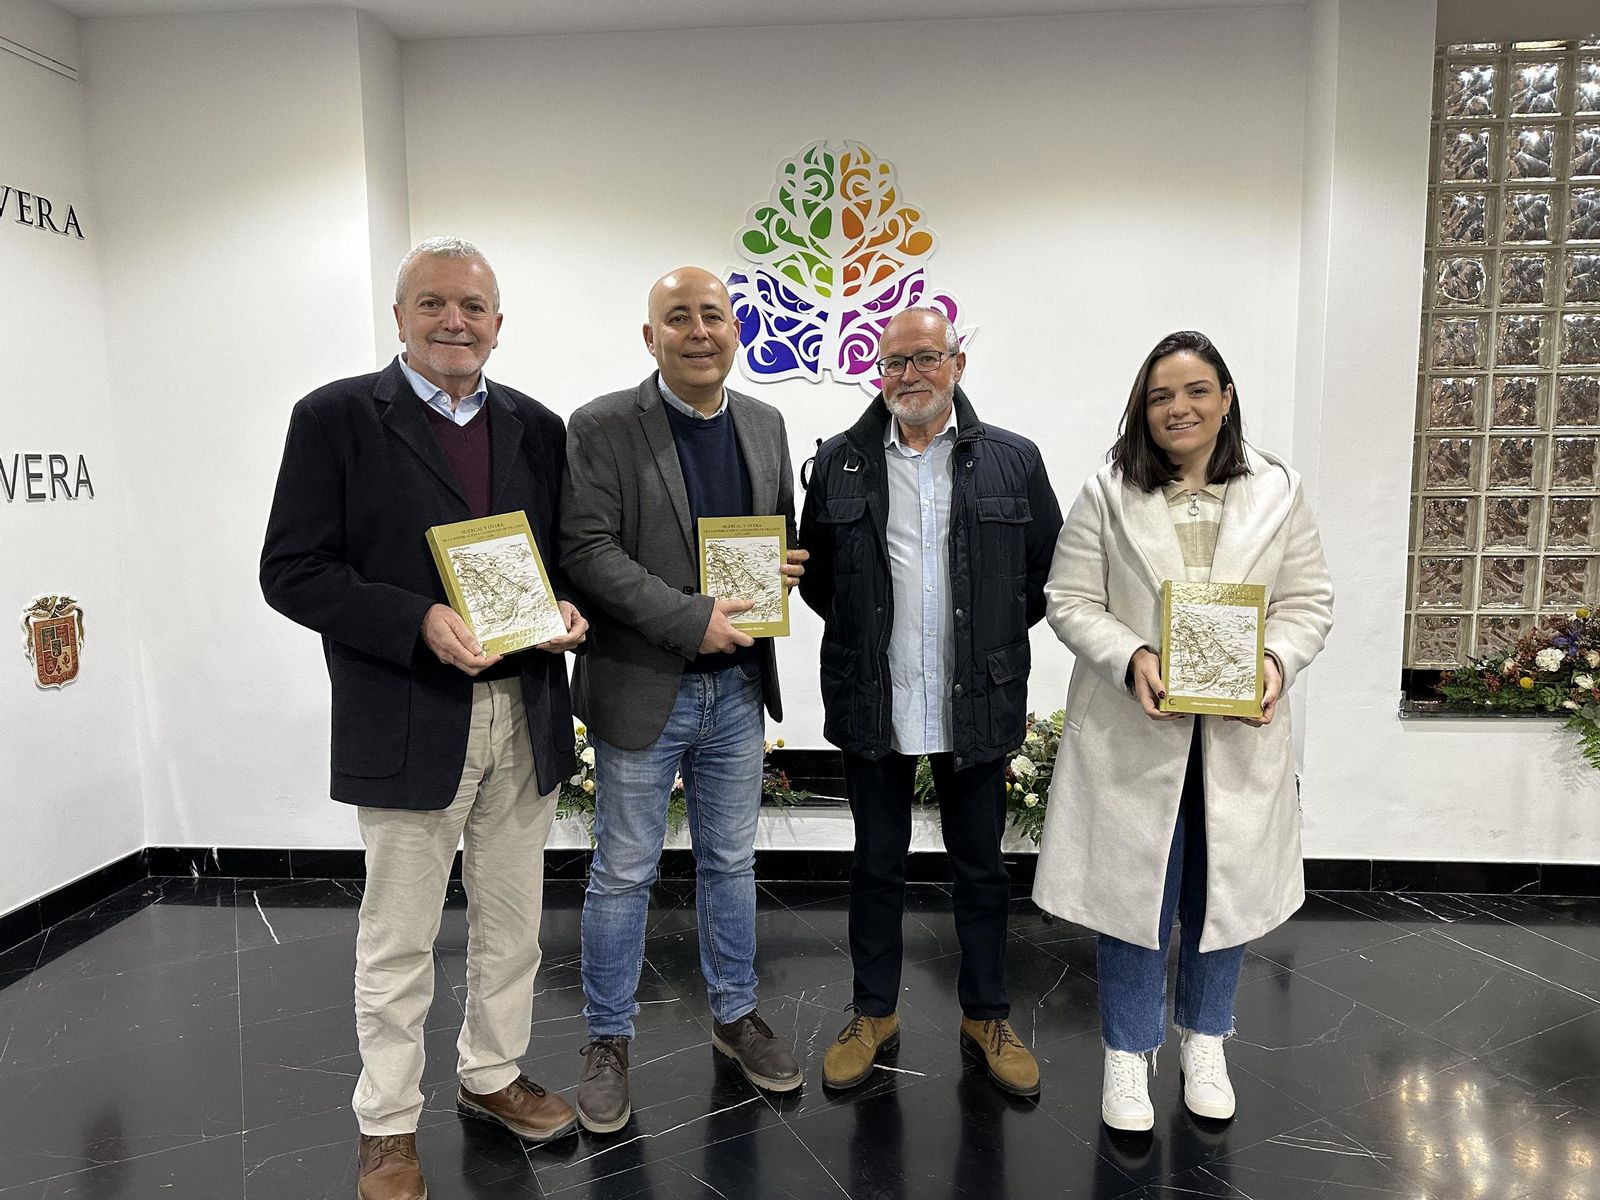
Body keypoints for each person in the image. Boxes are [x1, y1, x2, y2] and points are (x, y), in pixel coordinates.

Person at [261, 237, 588, 1200]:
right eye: (434, 303)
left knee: (513, 925)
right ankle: (387, 1123)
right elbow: (293, 571)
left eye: (474, 307)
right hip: (406, 709)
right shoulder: (333, 419)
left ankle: (491, 1075)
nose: (456, 321)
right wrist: (417, 621)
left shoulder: (539, 426)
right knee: (399, 936)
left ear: (498, 323)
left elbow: (558, 556)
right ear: (398, 315)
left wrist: (568, 607)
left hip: (523, 706)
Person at [1032, 330, 1333, 1131]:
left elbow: (1309, 603)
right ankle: (1128, 1057)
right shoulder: (1107, 490)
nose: (1179, 408)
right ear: (1143, 407)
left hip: (1237, 735)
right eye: (1161, 395)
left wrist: (1275, 663)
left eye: (1197, 391)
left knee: (1219, 894)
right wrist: (1128, 655)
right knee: (1136, 899)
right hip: (1138, 728)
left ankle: (1207, 1039)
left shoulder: (1280, 490)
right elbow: (1069, 599)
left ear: (1226, 398)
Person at [559, 266, 807, 1133]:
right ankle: (606, 1041)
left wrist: (782, 568)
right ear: (649, 336)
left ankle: (736, 1016)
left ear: (735, 332)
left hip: (737, 690)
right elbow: (585, 550)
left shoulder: (766, 423)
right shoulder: (599, 426)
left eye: (713, 316)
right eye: (678, 317)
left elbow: (774, 533)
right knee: (624, 871)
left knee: (732, 864)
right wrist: (691, 618)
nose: (698, 331)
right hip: (642, 688)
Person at [798, 307, 1062, 1097]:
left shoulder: (1014, 461)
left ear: (957, 363)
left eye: (925, 358)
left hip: (973, 700)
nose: (908, 376)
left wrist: (978, 641)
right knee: (874, 864)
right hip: (872, 696)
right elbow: (817, 579)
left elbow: (1041, 575)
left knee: (981, 868)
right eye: (892, 363)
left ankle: (986, 1012)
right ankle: (873, 1012)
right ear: (876, 373)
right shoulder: (840, 462)